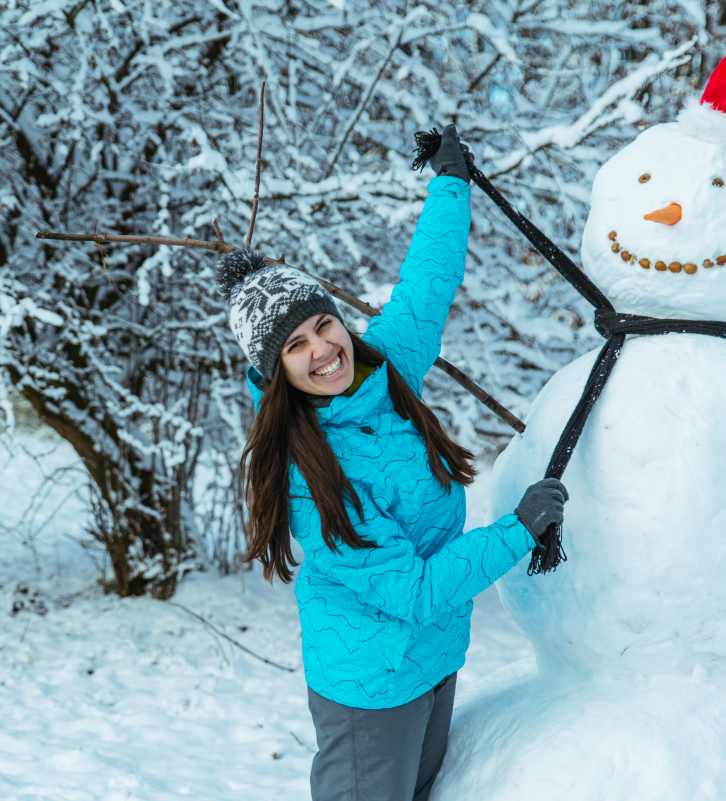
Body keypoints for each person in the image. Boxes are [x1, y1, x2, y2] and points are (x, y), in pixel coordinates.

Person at [215, 124, 567, 801]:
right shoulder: (308, 474)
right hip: (370, 689)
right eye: (296, 345)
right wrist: (517, 532)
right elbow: (409, 589)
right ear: (278, 372)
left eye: (323, 325)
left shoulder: (384, 368)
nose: (322, 349)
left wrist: (450, 184)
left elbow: (427, 283)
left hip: (432, 658)